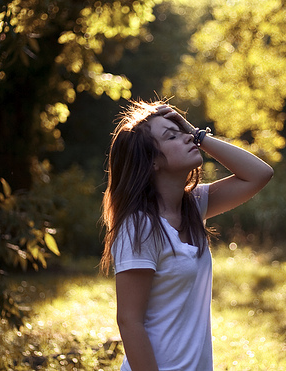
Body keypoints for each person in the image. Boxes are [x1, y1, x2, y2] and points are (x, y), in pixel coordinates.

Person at [100, 100, 273, 371]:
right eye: (172, 135)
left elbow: (260, 174)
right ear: (153, 161)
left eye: (183, 131)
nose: (186, 137)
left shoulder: (193, 205)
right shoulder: (139, 226)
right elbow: (129, 321)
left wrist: (199, 135)